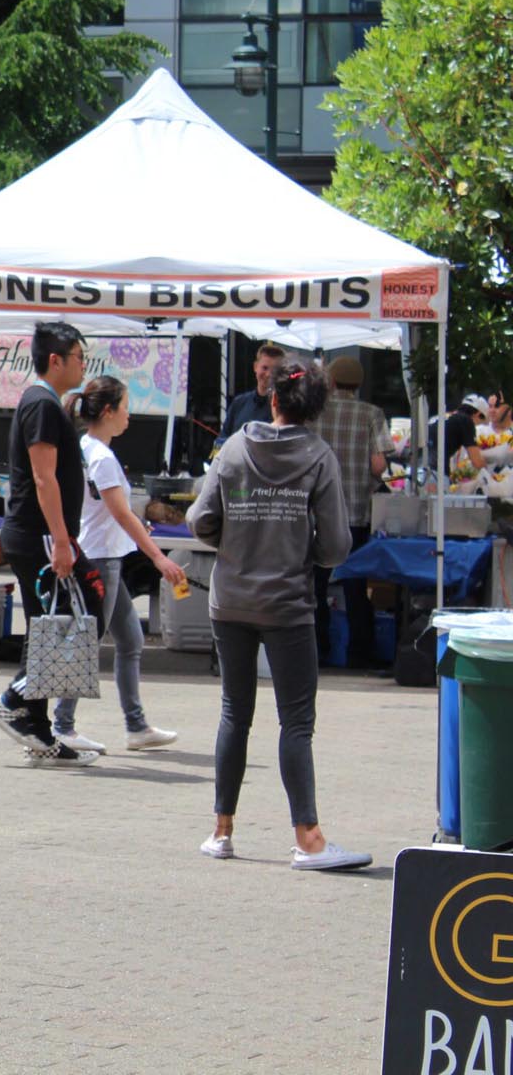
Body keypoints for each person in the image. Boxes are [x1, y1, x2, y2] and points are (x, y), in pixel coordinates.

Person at [187, 361, 369, 871]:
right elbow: (334, 546)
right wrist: (295, 543)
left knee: (234, 713)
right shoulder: (318, 457)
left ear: (273, 400)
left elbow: (200, 520)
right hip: (288, 605)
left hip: (230, 601)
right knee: (296, 723)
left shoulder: (236, 449)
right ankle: (307, 839)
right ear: (316, 409)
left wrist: (240, 539)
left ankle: (221, 831)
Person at [0, 321, 105, 768]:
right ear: (57, 360)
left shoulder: (48, 404)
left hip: (43, 535)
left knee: (52, 625)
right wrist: (63, 541)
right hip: (39, 536)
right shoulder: (42, 405)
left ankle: (35, 722)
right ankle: (14, 697)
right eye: (79, 357)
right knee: (83, 610)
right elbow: (43, 477)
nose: (83, 366)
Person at [48, 377, 184, 753]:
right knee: (89, 641)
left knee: (129, 639)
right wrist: (158, 558)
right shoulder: (101, 457)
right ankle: (62, 724)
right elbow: (122, 515)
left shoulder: (88, 447)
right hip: (101, 557)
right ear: (107, 412)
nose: (129, 415)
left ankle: (136, 726)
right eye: (125, 406)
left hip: (101, 554)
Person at [316, 356, 387, 666]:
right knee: (356, 586)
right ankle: (361, 653)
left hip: (318, 512)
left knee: (315, 587)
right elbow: (378, 465)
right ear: (359, 384)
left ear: (330, 382)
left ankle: (318, 650)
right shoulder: (372, 413)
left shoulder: (315, 411)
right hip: (356, 513)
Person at [221, 342, 286, 439]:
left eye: (275, 370)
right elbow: (222, 440)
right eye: (265, 368)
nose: (268, 374)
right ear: (255, 367)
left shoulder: (284, 408)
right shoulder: (239, 403)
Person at [433, 394, 487, 476]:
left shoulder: (443, 417)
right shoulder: (466, 421)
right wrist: (490, 474)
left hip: (420, 465)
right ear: (478, 414)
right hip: (436, 470)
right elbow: (476, 461)